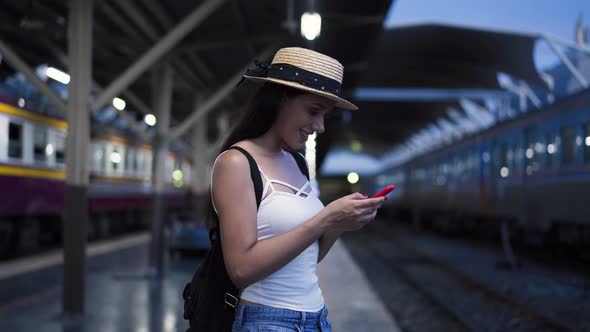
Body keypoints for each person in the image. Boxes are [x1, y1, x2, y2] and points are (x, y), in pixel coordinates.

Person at [210, 47, 385, 332]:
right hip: (267, 322)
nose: (320, 126)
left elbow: (305, 259)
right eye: (313, 111)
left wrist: (340, 224)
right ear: (280, 99)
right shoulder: (236, 163)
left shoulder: (296, 162)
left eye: (325, 116)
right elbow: (241, 270)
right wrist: (326, 218)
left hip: (316, 318)